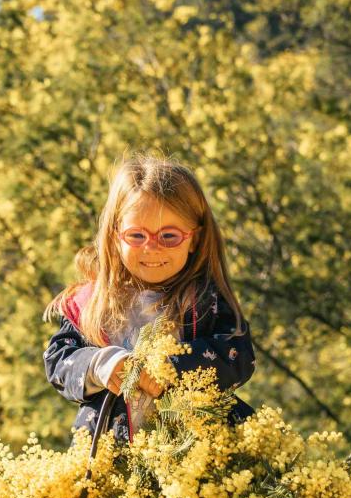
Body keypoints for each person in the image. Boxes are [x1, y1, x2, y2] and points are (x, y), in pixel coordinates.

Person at [42, 152, 256, 445]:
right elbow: (58, 362)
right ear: (115, 235)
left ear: (194, 238)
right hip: (112, 456)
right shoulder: (91, 303)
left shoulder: (204, 300)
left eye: (169, 236)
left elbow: (238, 357)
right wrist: (102, 365)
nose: (151, 248)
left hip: (199, 456)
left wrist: (167, 366)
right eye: (136, 236)